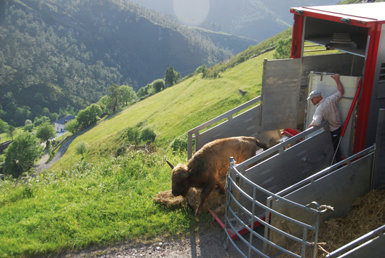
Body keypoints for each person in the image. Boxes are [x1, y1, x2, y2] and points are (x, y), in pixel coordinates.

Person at [308, 74, 344, 161]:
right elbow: (341, 91)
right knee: (334, 149)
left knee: (334, 151)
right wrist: (337, 79)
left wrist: (310, 126)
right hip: (338, 127)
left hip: (332, 131)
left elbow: (316, 122)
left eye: (312, 99)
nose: (312, 101)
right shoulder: (330, 100)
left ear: (318, 97)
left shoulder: (320, 109)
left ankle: (337, 167)